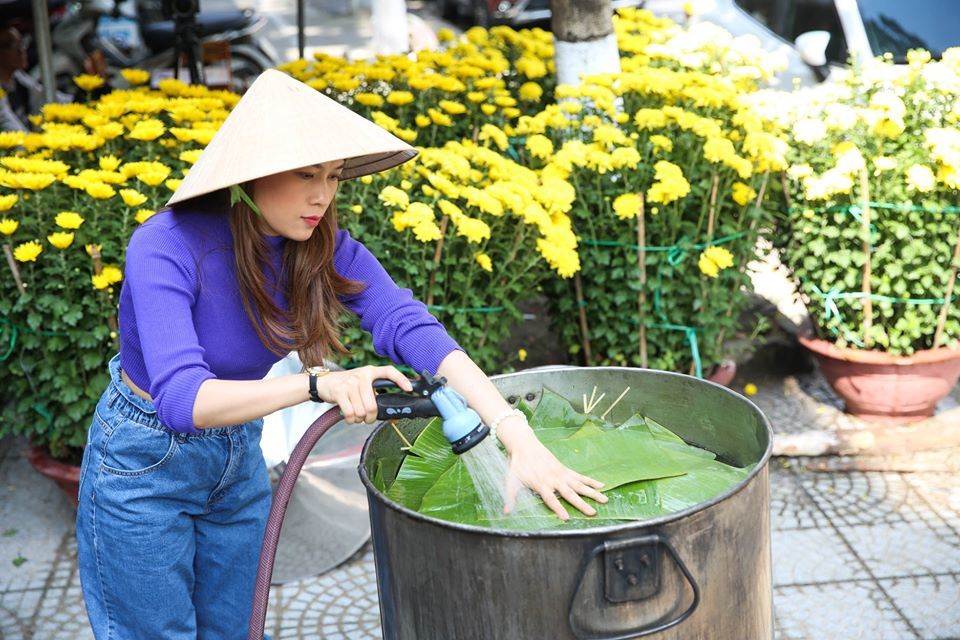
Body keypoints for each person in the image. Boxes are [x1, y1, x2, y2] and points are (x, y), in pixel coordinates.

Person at [75, 69, 607, 639]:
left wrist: (513, 432)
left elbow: (409, 325)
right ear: (251, 173)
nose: (322, 195)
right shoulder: (165, 245)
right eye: (306, 174)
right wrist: (318, 384)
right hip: (144, 460)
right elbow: (183, 400)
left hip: (237, 454)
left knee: (233, 631)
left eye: (331, 176)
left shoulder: (320, 246)